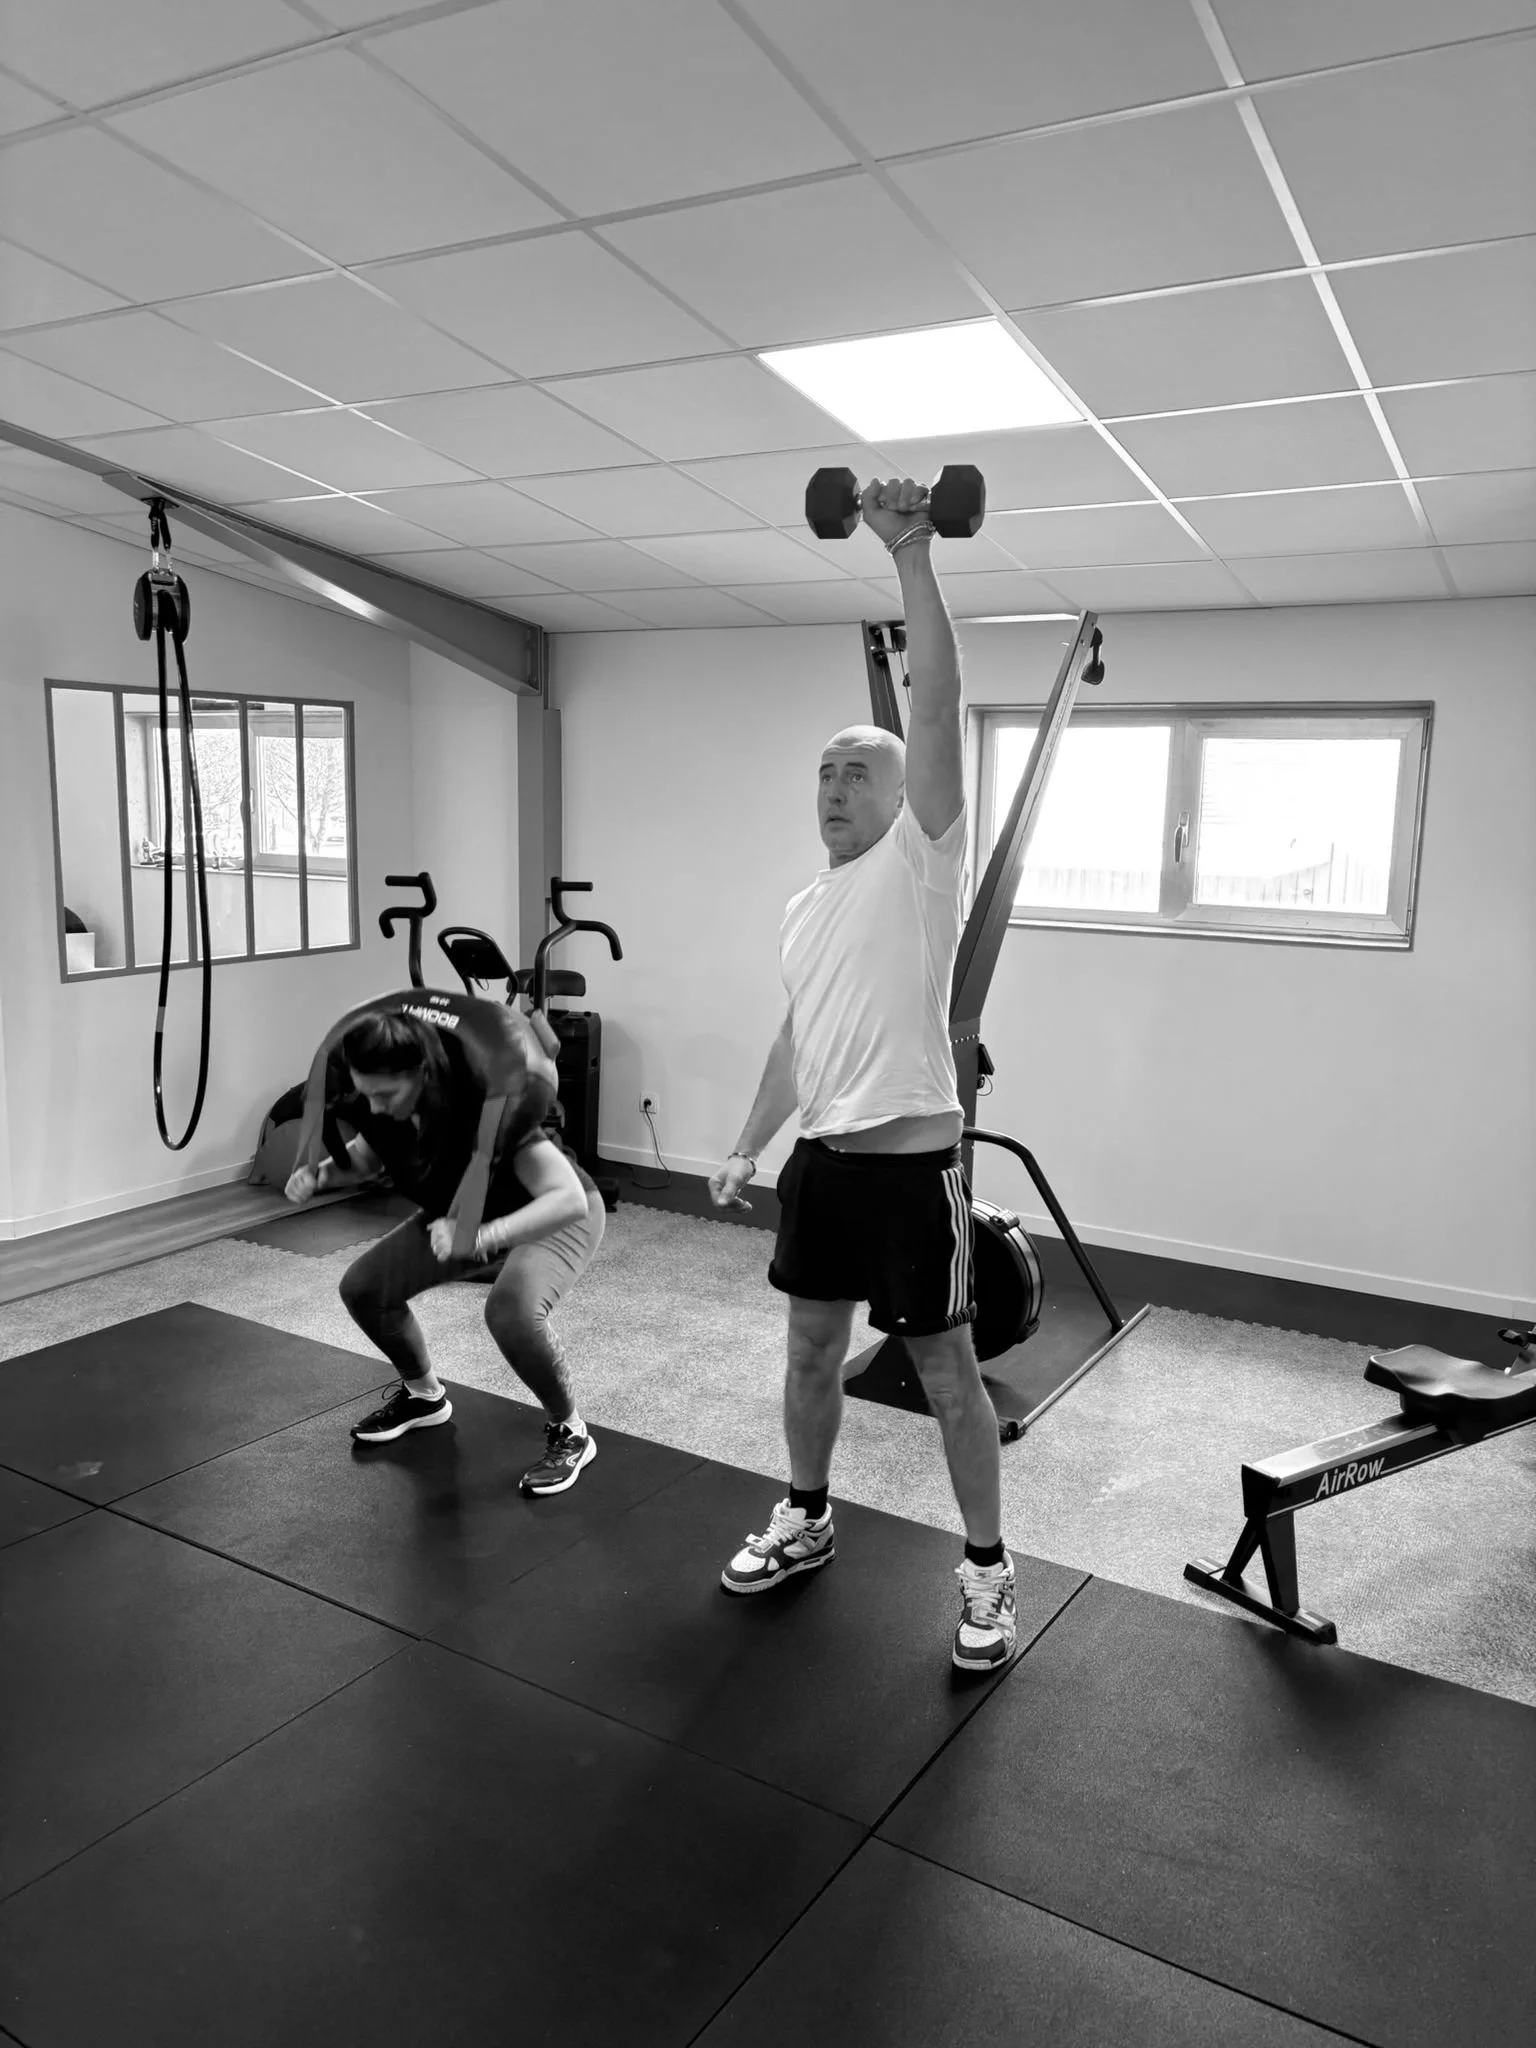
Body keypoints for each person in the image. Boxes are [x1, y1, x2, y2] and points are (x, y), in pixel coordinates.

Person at [708, 477, 1017, 1674]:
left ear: (903, 799)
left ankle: (989, 1570)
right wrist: (745, 1140)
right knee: (804, 1351)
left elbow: (934, 702)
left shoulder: (922, 863)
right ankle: (807, 1511)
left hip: (909, 1167)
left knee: (945, 1373)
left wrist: (913, 557)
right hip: (821, 1165)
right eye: (826, 773)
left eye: (857, 772)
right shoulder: (804, 905)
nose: (835, 788)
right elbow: (799, 1037)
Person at [285, 1005, 604, 1495]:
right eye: (365, 1094)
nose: (374, 1107)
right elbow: (368, 1159)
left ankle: (571, 1431)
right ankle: (424, 1397)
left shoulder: (483, 1108)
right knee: (365, 1289)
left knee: (511, 1311)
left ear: (422, 1074)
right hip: (460, 1216)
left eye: (385, 1093)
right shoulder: (383, 1110)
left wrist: (482, 1239)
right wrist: (321, 1175)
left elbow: (568, 1199)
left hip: (547, 1215)